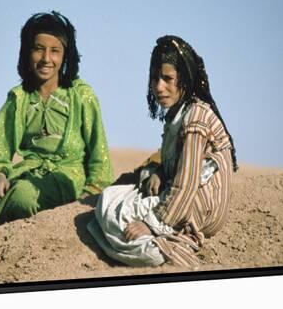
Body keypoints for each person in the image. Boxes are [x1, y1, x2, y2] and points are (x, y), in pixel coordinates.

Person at [0, 11, 114, 247]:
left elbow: (99, 156)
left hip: (67, 178)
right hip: (25, 174)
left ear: (65, 56)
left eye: (55, 51)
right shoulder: (19, 98)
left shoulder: (81, 95)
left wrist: (90, 195)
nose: (46, 58)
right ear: (27, 52)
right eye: (38, 48)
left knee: (23, 196)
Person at [88, 35, 238, 267]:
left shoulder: (196, 118)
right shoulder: (180, 114)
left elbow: (187, 183)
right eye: (155, 78)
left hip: (196, 209)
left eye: (168, 78)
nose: (159, 87)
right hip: (187, 203)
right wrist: (156, 170)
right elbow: (175, 162)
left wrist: (152, 223)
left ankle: (167, 244)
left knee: (110, 203)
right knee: (112, 201)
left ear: (185, 80)